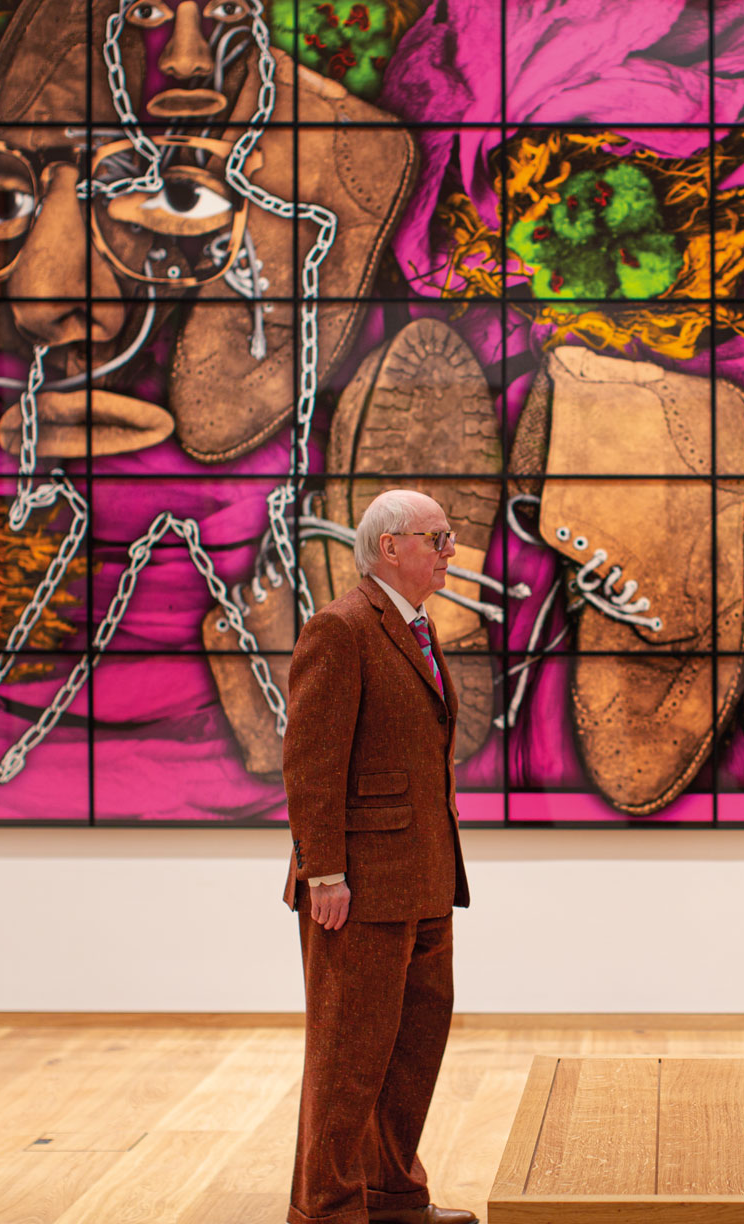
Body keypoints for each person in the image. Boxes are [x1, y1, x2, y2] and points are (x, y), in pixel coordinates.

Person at [280, 488, 474, 1224]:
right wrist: (323, 870)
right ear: (389, 547)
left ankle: (391, 1194)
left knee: (411, 1048)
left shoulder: (415, 627)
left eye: (448, 537)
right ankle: (328, 1209)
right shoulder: (342, 628)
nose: (450, 550)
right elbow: (311, 762)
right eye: (437, 538)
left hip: (425, 877)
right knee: (347, 1056)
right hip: (356, 887)